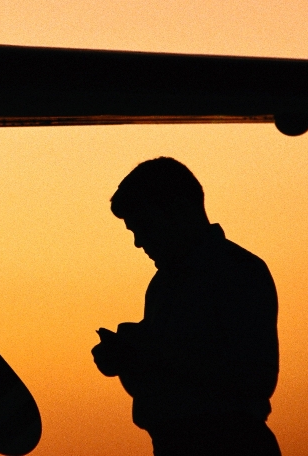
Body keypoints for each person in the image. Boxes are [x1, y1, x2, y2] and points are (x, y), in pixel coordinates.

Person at [91, 157, 281, 456]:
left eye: (144, 226)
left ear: (179, 211)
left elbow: (253, 378)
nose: (139, 242)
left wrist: (146, 351)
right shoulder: (163, 284)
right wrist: (126, 359)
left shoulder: (239, 271)